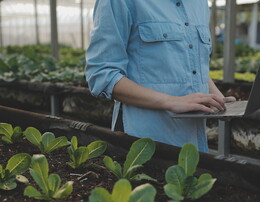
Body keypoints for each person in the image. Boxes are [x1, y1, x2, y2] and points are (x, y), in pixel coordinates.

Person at [85, 0, 235, 153]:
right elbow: (102, 75)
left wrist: (217, 97)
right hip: (143, 143)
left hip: (194, 142)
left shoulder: (199, 3)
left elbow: (193, 64)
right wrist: (173, 102)